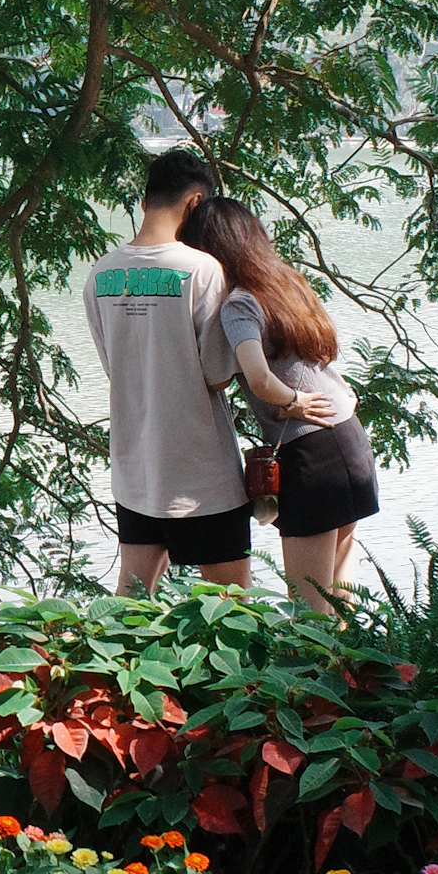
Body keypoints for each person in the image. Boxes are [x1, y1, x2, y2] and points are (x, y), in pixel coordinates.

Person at [180, 196, 376, 613]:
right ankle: (359, 677)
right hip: (351, 442)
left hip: (313, 456)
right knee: (342, 598)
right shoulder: (287, 285)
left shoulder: (239, 303)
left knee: (309, 610)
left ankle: (317, 677)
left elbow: (257, 377)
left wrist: (293, 402)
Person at [83, 149, 256, 594]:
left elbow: (114, 368)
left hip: (136, 471)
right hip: (202, 477)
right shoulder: (201, 269)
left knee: (131, 607)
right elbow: (217, 374)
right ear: (196, 204)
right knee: (231, 610)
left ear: (144, 202)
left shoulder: (99, 275)